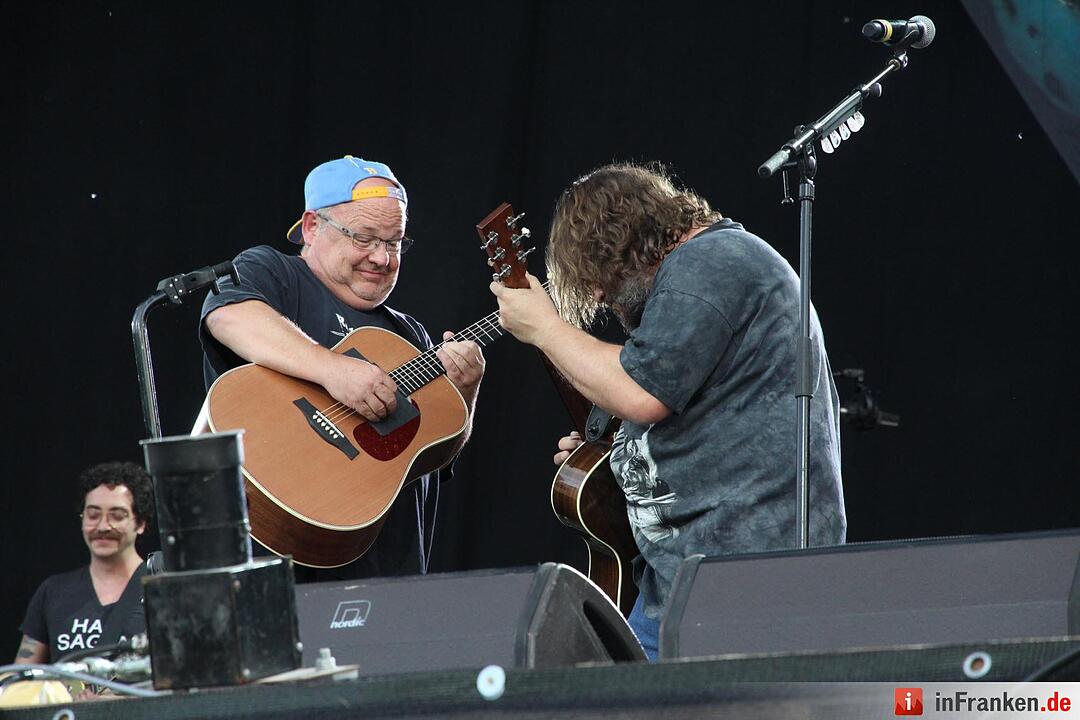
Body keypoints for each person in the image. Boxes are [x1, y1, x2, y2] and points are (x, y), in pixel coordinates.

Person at [491, 162, 847, 660]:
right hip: (686, 580)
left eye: (596, 278)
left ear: (618, 244)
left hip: (741, 577)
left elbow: (640, 391)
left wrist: (546, 329)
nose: (599, 296)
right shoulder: (707, 269)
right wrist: (620, 452)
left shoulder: (709, 264)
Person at [199, 155, 485, 580]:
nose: (382, 258)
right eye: (364, 238)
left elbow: (435, 459)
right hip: (260, 563)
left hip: (382, 572)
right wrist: (333, 371)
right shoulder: (273, 272)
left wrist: (465, 394)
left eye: (394, 242)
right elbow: (228, 315)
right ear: (312, 227)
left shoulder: (411, 335)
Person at [16, 462, 155, 664]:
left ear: (141, 523)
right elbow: (20, 676)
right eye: (93, 515)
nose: (103, 526)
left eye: (117, 516)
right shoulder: (53, 591)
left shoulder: (162, 589)